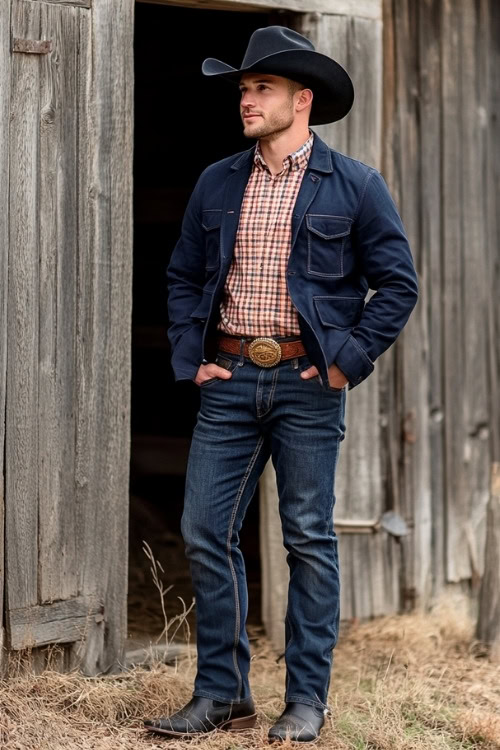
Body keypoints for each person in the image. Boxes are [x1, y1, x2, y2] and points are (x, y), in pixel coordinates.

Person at [144, 25, 418, 743]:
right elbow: (181, 277)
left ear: (303, 100)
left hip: (308, 383)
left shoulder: (355, 184)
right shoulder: (217, 181)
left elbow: (397, 286)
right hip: (229, 378)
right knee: (206, 530)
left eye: (260, 87)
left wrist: (343, 363)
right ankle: (224, 696)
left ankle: (306, 702)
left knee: (307, 539)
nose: (246, 99)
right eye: (242, 89)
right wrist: (191, 356)